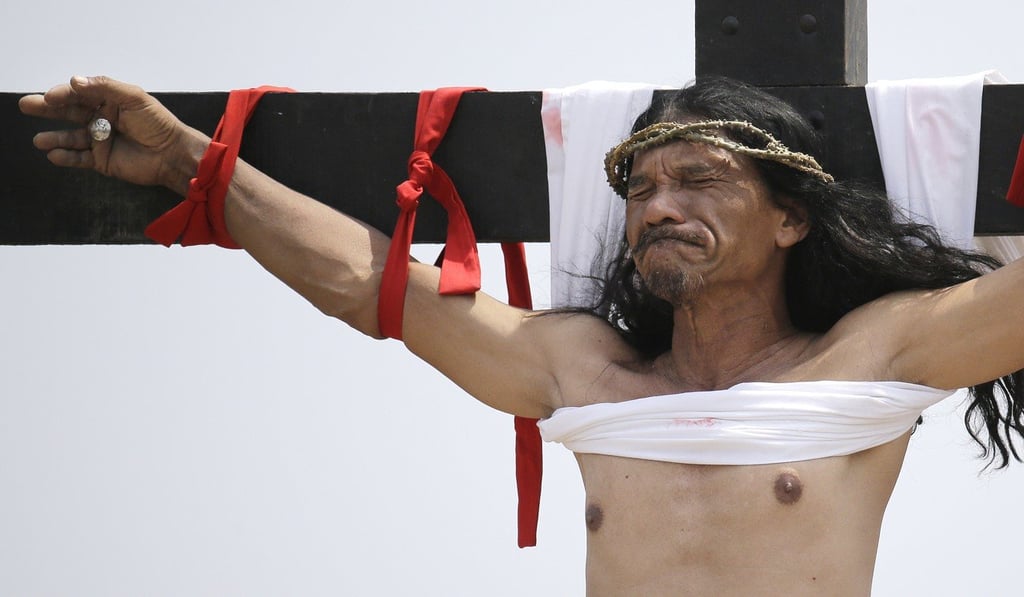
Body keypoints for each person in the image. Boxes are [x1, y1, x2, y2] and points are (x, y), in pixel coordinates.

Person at [20, 74, 1024, 596]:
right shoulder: (579, 369)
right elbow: (367, 281)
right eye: (641, 188)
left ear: (790, 218)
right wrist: (198, 161)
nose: (658, 207)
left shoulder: (873, 354)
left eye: (699, 181)